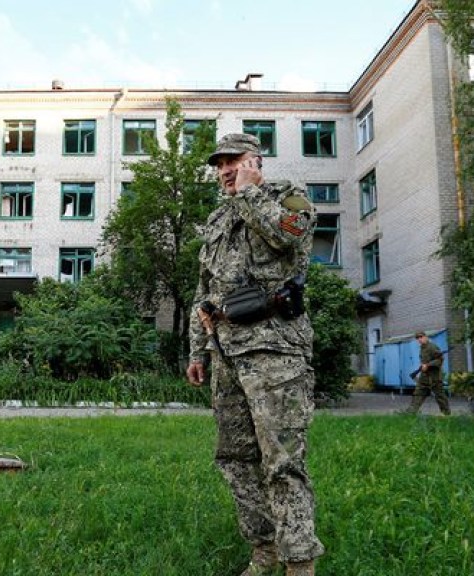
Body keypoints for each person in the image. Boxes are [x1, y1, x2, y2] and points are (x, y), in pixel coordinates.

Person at [186, 133, 324, 576]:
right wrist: (197, 351)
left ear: (254, 161)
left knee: (282, 462)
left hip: (275, 352)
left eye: (233, 161)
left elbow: (290, 237)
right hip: (227, 353)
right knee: (236, 461)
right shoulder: (217, 219)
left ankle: (299, 564)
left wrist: (249, 193)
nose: (224, 171)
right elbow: (204, 292)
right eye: (219, 165)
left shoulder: (289, 198)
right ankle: (263, 555)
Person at [405, 331, 450, 415]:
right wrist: (423, 367)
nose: (419, 339)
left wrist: (428, 365)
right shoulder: (422, 348)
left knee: (440, 396)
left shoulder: (432, 347)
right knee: (418, 394)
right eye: (417, 338)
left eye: (421, 337)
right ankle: (411, 412)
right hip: (424, 377)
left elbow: (440, 360)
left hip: (434, 377)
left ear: (426, 337)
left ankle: (446, 413)